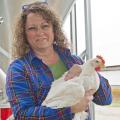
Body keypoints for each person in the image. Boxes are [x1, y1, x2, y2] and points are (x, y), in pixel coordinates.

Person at [6, 1, 112, 120]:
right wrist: (70, 109)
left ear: (54, 29)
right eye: (32, 28)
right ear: (24, 34)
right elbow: (22, 115)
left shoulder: (73, 60)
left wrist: (88, 70)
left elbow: (105, 99)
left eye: (45, 26)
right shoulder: (18, 69)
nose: (40, 33)